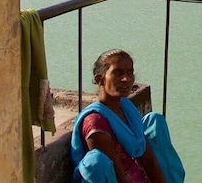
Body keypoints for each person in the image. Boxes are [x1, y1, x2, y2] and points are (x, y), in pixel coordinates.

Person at [70, 49, 185, 183]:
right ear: (100, 79)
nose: (126, 79)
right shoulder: (96, 123)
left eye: (129, 73)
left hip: (138, 177)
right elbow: (118, 175)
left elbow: (148, 160)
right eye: (118, 73)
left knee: (155, 121)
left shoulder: (126, 109)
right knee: (97, 161)